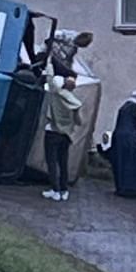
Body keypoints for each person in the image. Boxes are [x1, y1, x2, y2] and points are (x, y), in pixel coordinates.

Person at [42, 70, 83, 202]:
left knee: (52, 162)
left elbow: (49, 79)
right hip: (66, 136)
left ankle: (55, 190)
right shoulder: (73, 101)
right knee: (63, 162)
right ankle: (64, 190)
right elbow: (79, 121)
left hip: (53, 132)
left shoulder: (56, 95)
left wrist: (49, 62)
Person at [110, 90, 136, 197]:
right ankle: (130, 189)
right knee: (130, 163)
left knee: (120, 163)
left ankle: (121, 187)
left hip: (118, 137)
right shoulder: (134, 108)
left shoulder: (123, 107)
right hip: (129, 138)